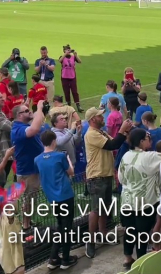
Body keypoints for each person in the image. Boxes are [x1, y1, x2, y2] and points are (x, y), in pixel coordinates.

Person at [83, 107, 133, 258]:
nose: (102, 117)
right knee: (97, 209)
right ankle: (91, 241)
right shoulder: (91, 134)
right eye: (99, 116)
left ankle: (103, 234)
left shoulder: (100, 132)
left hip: (105, 175)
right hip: (97, 176)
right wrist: (122, 130)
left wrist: (125, 132)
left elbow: (117, 142)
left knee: (105, 208)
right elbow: (112, 145)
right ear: (92, 119)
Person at [118, 128, 161, 269]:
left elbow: (120, 177)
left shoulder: (126, 156)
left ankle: (128, 258)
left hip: (127, 201)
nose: (151, 140)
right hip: (145, 202)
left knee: (130, 230)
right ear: (141, 141)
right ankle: (141, 261)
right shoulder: (149, 157)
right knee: (142, 233)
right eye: (148, 138)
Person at [36, 131, 79, 270]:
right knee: (66, 228)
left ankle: (54, 257)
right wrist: (67, 160)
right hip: (65, 195)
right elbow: (71, 172)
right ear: (54, 141)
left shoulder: (37, 159)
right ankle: (65, 259)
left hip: (52, 197)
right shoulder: (60, 156)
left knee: (61, 226)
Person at [11, 100, 47, 230]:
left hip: (33, 169)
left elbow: (38, 122)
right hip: (27, 171)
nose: (29, 112)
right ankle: (26, 225)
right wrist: (39, 107)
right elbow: (35, 129)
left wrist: (38, 111)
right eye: (26, 111)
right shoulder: (18, 129)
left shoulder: (23, 126)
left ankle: (28, 221)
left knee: (32, 198)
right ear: (19, 115)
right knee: (29, 199)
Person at [59, 45, 82, 112]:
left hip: (72, 76)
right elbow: (60, 60)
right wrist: (65, 54)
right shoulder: (62, 57)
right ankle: (69, 105)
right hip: (64, 77)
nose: (68, 51)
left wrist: (76, 55)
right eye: (66, 50)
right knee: (66, 91)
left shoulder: (73, 57)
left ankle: (78, 105)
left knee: (74, 91)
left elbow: (80, 61)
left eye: (69, 50)